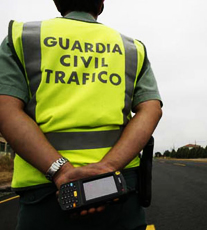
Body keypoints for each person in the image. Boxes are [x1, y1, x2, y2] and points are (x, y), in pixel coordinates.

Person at [0, 0, 162, 229]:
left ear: (57, 2)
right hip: (118, 186)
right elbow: (151, 109)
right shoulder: (131, 48)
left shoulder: (22, 37)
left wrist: (61, 172)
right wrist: (107, 169)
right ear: (101, 4)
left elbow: (5, 109)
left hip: (45, 193)